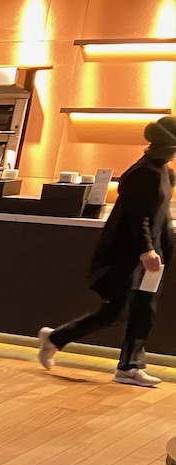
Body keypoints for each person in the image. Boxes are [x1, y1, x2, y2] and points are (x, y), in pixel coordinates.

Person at [37, 116, 174, 389]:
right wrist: (147, 249)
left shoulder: (165, 172)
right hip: (130, 255)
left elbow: (160, 216)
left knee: (144, 311)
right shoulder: (143, 172)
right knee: (116, 312)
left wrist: (160, 248)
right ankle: (55, 338)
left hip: (153, 255)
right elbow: (138, 218)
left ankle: (129, 367)